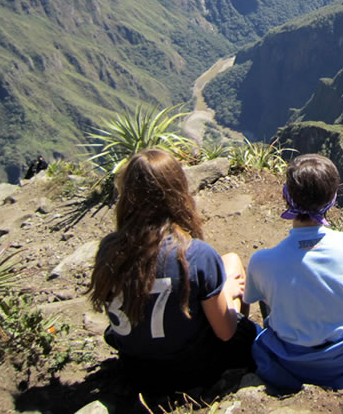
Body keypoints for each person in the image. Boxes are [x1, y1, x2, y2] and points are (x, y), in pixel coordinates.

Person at [88, 149, 257, 391]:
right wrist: (228, 294)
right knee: (232, 267)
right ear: (177, 192)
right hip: (195, 372)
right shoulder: (195, 253)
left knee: (228, 260)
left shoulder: (109, 250)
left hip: (136, 373)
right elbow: (226, 331)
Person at [244, 153, 343, 392]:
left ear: (287, 196)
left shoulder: (262, 261)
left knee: (270, 290)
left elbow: (256, 299)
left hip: (291, 362)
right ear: (332, 200)